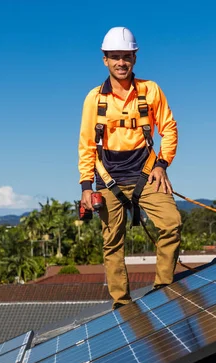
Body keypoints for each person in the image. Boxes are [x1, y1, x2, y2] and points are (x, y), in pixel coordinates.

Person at [78, 27, 182, 310]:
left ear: (135, 58)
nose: (121, 62)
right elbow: (87, 143)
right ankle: (121, 304)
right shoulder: (95, 99)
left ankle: (163, 288)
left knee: (171, 224)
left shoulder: (150, 91)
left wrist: (162, 164)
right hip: (108, 178)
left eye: (126, 56)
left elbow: (169, 128)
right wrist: (86, 186)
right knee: (112, 243)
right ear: (105, 60)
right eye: (115, 57)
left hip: (146, 174)